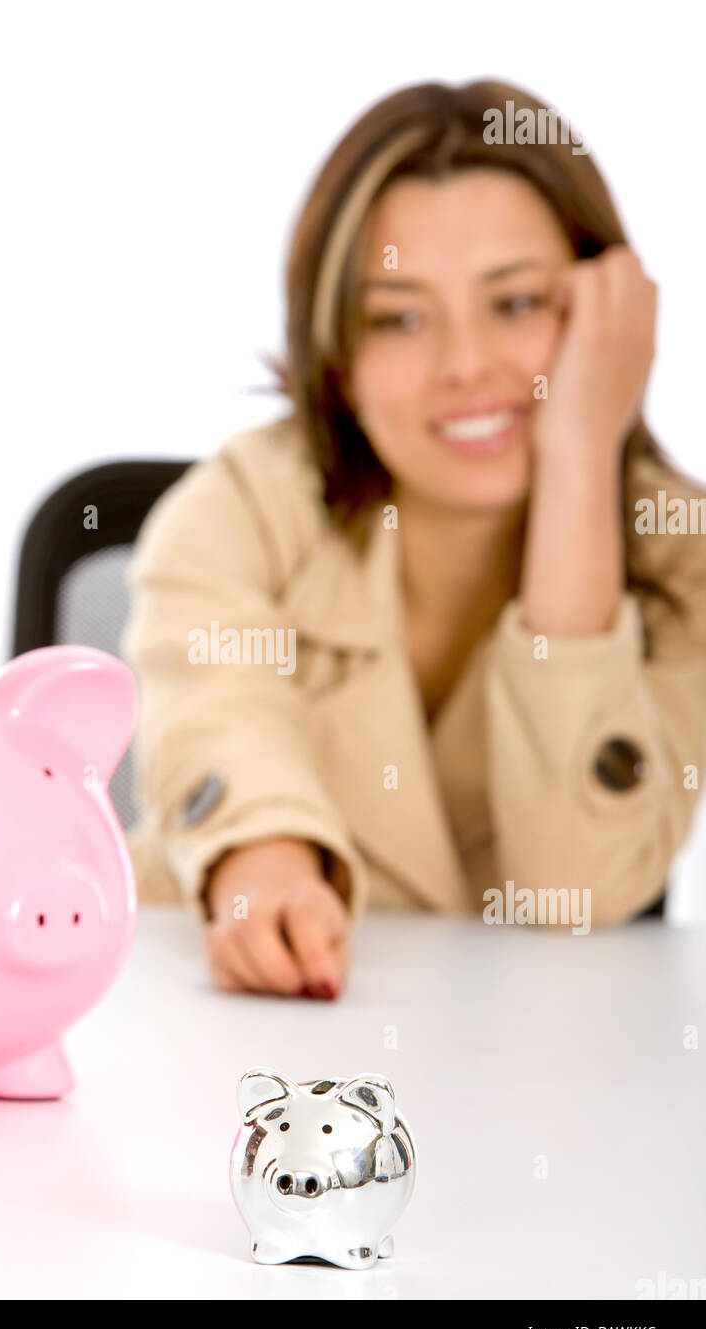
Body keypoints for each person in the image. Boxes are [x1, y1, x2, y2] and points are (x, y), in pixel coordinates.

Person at [120, 79, 706, 999]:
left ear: (606, 317)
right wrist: (266, 863)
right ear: (337, 352)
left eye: (514, 304)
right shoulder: (239, 508)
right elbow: (218, 720)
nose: (464, 365)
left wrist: (579, 456)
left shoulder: (679, 553)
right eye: (397, 317)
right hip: (227, 1035)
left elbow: (571, 892)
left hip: (535, 1071)